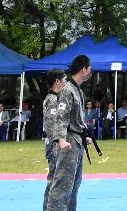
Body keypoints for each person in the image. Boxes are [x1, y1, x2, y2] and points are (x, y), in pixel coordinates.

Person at [46, 54, 93, 211]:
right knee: (62, 183)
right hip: (68, 141)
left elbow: (76, 119)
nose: (90, 71)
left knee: (74, 183)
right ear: (83, 69)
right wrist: (61, 139)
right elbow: (61, 117)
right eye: (89, 68)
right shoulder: (67, 90)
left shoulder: (77, 90)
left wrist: (83, 134)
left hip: (76, 140)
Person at [42, 69, 66, 211]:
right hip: (54, 145)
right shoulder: (52, 100)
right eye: (64, 79)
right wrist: (56, 143)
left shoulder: (56, 98)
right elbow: (51, 124)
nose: (66, 82)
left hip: (55, 144)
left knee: (56, 178)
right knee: (54, 179)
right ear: (57, 82)